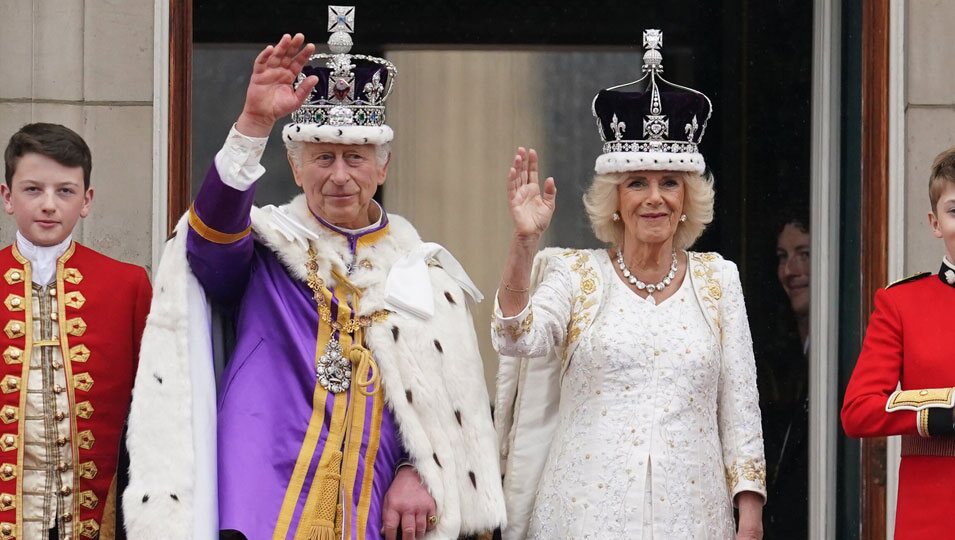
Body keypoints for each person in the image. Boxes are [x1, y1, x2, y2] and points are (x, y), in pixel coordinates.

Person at [123, 12, 505, 540]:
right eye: (323, 157)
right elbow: (207, 241)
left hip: (372, 505)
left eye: (356, 156)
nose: (340, 175)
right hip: (261, 496)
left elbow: (442, 411)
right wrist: (253, 125)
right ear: (296, 167)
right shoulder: (265, 248)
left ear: (383, 167)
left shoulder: (427, 274)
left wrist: (420, 470)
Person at [492, 29, 766, 540]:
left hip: (693, 515)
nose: (654, 198)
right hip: (582, 516)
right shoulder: (575, 274)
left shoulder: (718, 280)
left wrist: (749, 513)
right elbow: (515, 336)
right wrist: (523, 244)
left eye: (668, 183)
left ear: (687, 198)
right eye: (636, 183)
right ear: (614, 199)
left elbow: (741, 409)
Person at [0, 123, 152, 539]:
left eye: (65, 191)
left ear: (86, 201)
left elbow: (155, 409)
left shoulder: (128, 284)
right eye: (33, 189)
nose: (49, 205)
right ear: (7, 197)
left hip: (93, 514)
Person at [842, 146, 955, 539]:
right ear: (935, 222)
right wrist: (937, 414)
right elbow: (858, 410)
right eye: (954, 210)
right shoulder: (901, 303)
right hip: (933, 514)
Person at [758, 208, 809, 539]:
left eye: (804, 254)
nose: (790, 270)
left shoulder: (843, 352)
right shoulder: (783, 360)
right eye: (782, 257)